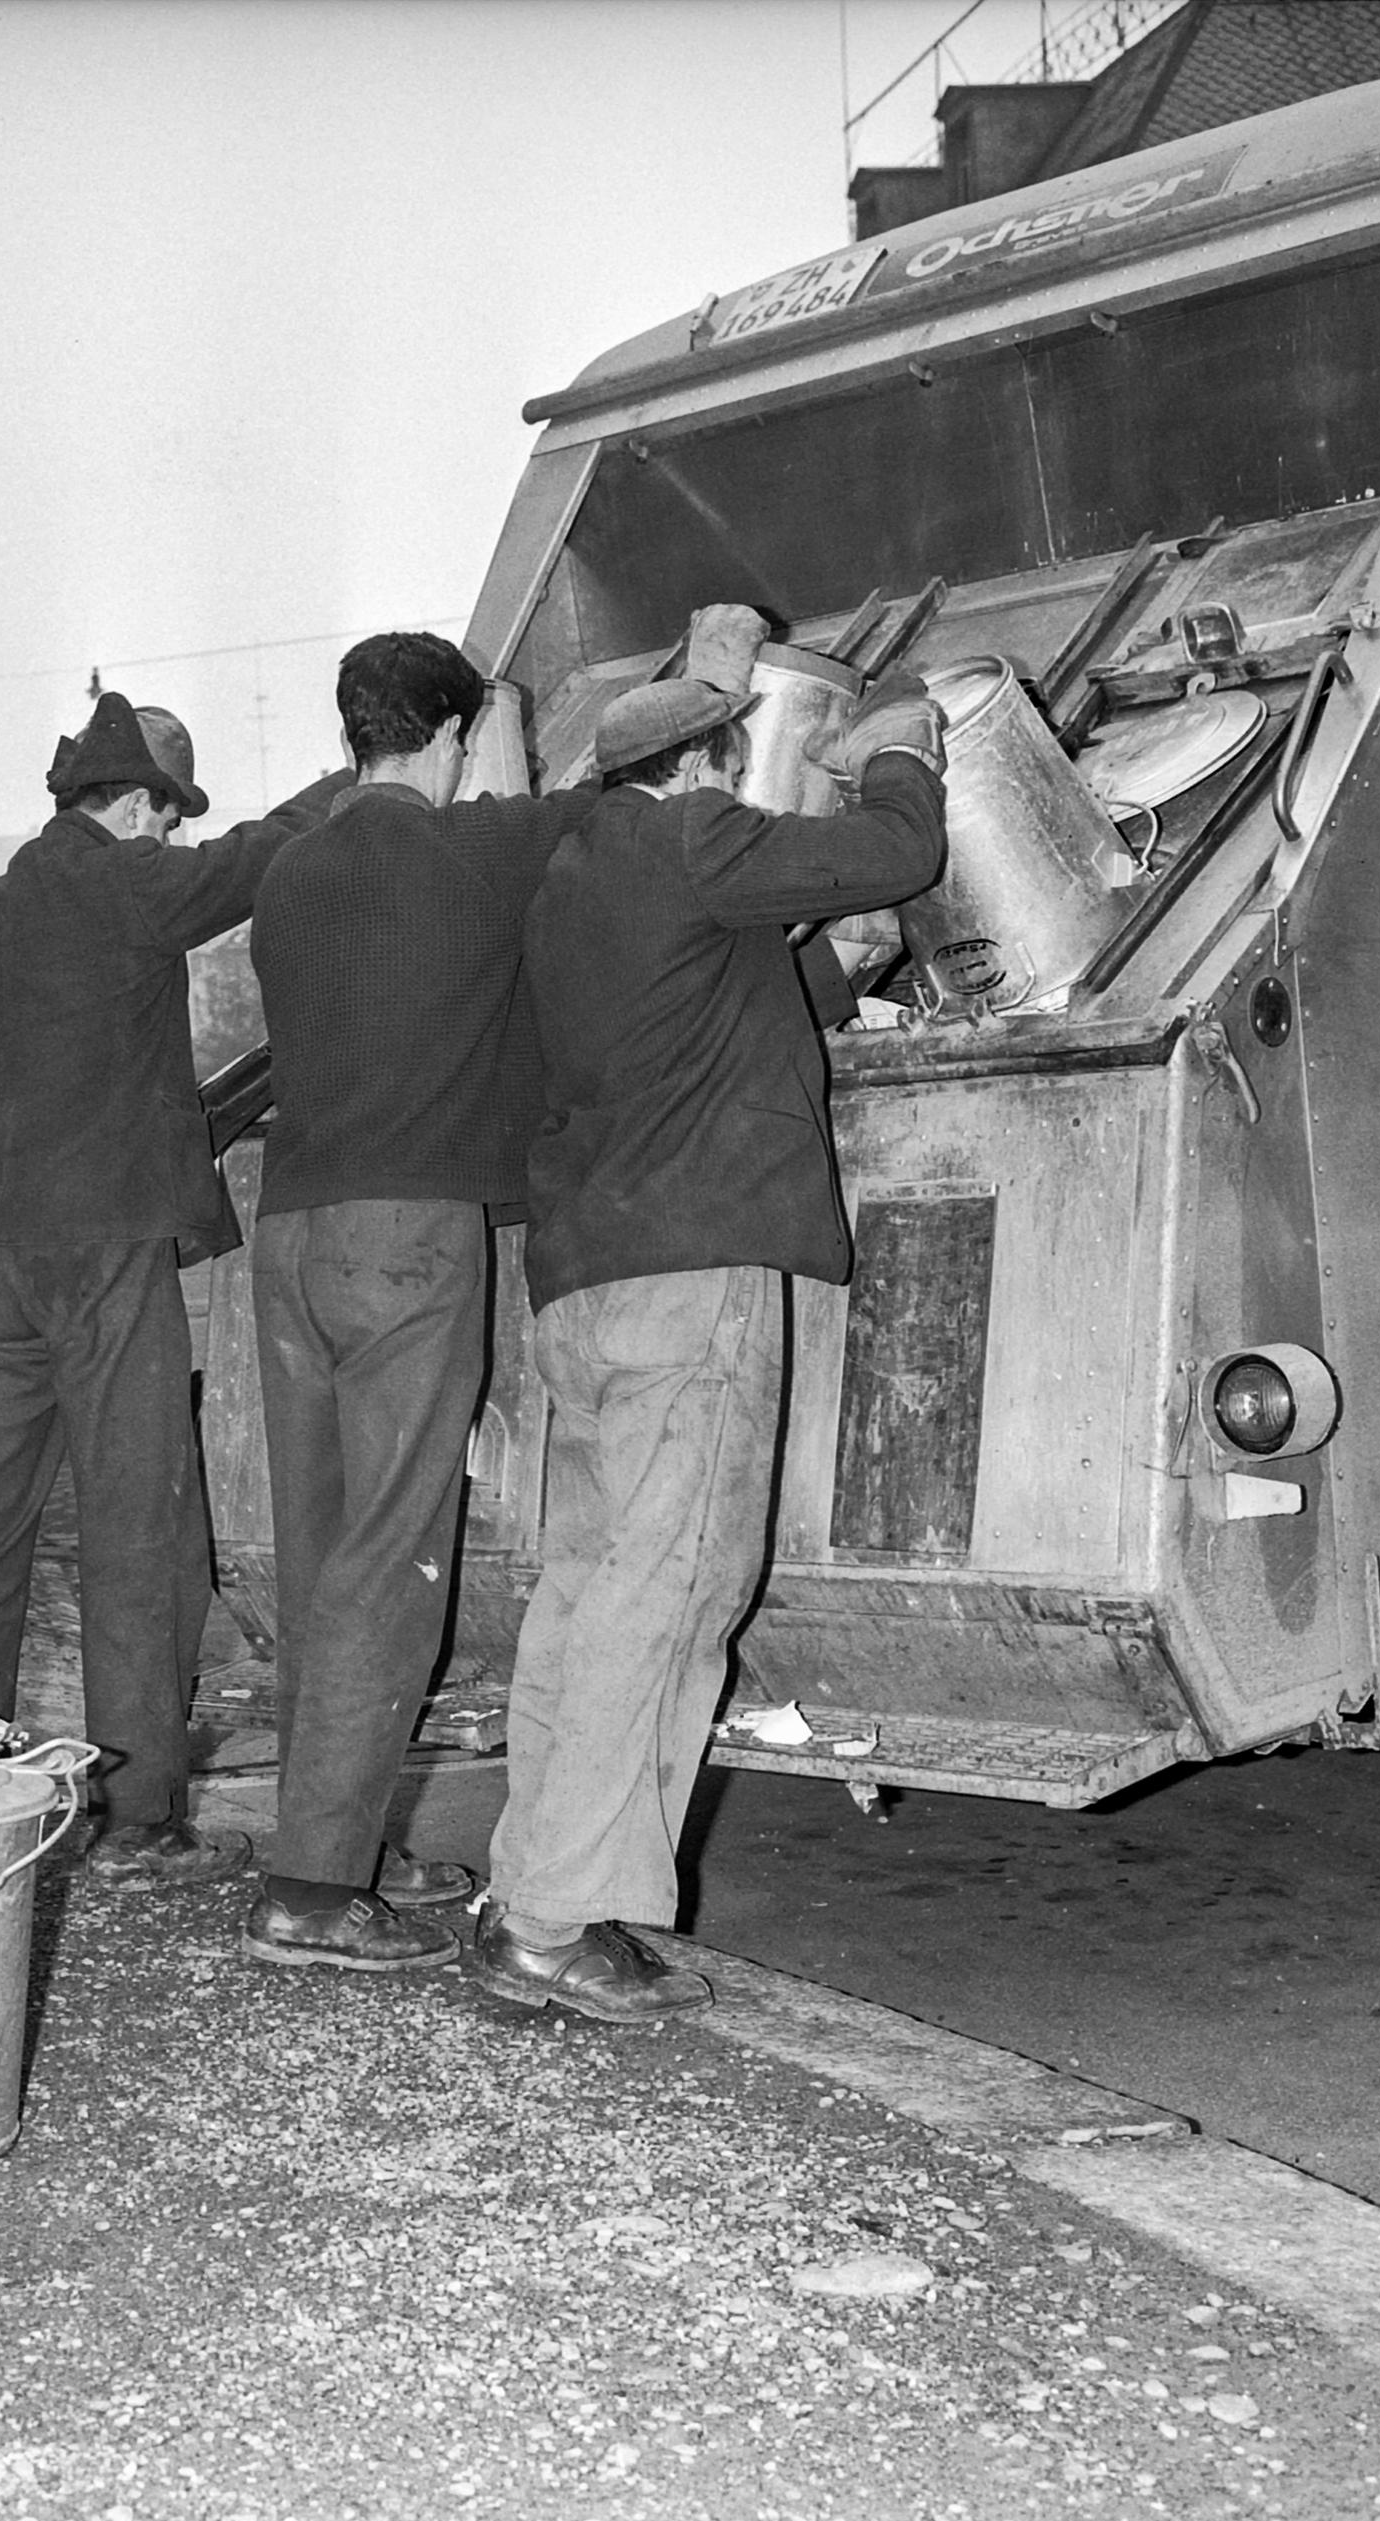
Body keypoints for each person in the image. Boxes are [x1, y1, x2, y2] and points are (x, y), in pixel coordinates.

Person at [467, 622, 948, 2023]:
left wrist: (838, 971)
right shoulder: (686, 840)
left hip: (586, 1284)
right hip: (691, 1282)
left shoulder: (569, 888)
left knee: (587, 1591)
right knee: (670, 1593)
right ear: (702, 770)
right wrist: (899, 757)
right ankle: (551, 1927)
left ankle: (529, 1884)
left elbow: (709, 1008)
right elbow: (895, 857)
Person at [0, 694, 346, 1887]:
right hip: (98, 1257)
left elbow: (58, 1087)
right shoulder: (124, 885)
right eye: (167, 818)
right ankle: (139, 1816)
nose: (171, 838)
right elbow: (258, 857)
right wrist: (352, 780)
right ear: (139, 806)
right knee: (136, 1527)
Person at [240, 632, 599, 1974]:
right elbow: (604, 796)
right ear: (445, 737)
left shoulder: (289, 871)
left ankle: (326, 1844)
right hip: (405, 1238)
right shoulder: (471, 849)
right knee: (391, 1562)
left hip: (288, 1235)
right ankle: (312, 1896)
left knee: (322, 1548)